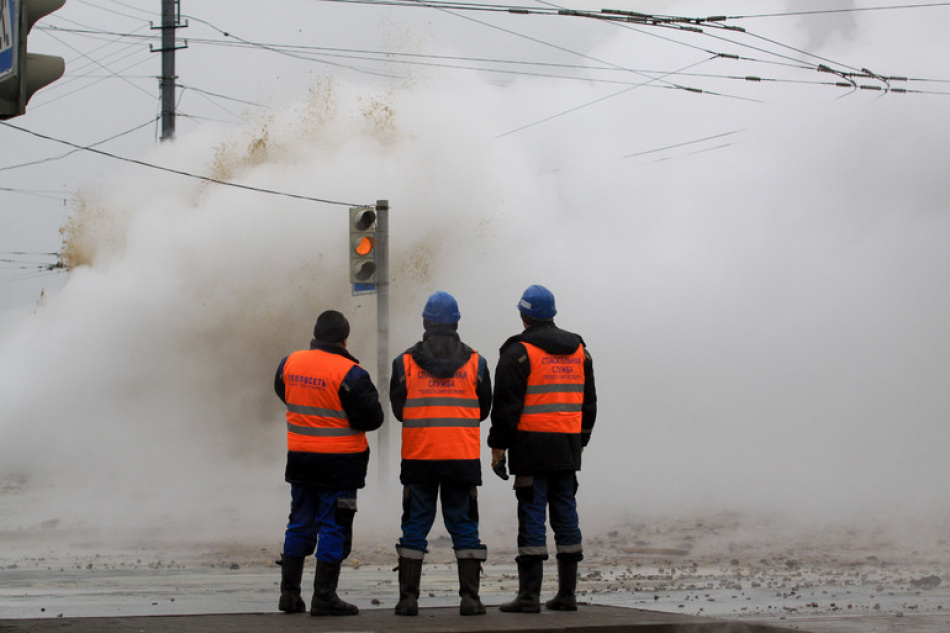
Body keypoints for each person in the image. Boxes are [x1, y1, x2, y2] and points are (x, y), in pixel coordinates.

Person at [488, 284, 597, 613]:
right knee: (566, 513)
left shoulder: (517, 352)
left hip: (531, 448)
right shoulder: (580, 351)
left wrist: (497, 449)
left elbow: (506, 408)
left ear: (524, 316)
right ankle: (567, 594)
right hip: (566, 447)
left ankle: (529, 596)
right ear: (552, 314)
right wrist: (581, 441)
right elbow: (588, 404)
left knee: (532, 514)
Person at [273, 310, 384, 616]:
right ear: (344, 338)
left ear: (316, 334)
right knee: (333, 526)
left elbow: (284, 392)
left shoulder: (290, 362)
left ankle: (289, 595)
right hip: (339, 464)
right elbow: (372, 418)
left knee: (299, 523)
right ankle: (324, 596)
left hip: (300, 459)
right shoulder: (351, 373)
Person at [389, 291, 493, 616]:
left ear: (425, 321)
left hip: (419, 458)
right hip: (461, 459)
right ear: (457, 322)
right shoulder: (477, 362)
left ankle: (408, 601)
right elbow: (484, 410)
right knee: (464, 525)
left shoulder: (404, 362)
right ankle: (471, 600)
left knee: (415, 525)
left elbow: (398, 410)